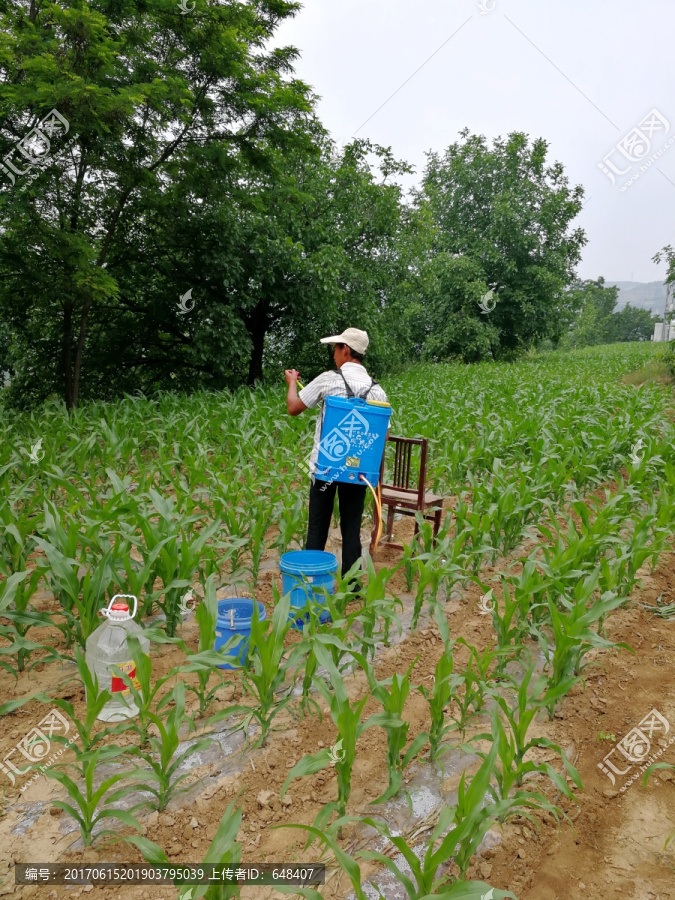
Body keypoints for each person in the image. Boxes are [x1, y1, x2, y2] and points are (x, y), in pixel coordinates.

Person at [285, 328, 389, 587]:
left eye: (335, 348)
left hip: (325, 469)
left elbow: (293, 408)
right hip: (358, 473)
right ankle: (352, 587)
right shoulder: (378, 392)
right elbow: (381, 439)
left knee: (317, 527)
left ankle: (313, 581)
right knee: (351, 528)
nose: (333, 354)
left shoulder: (328, 380)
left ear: (346, 350)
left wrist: (290, 383)